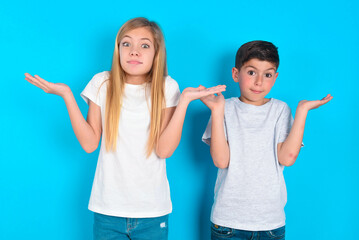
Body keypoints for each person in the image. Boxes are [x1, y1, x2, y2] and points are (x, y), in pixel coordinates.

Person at [24, 17, 226, 240]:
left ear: (156, 53)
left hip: (152, 211)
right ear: (118, 50)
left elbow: (164, 150)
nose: (134, 51)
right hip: (107, 210)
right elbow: (90, 144)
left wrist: (185, 101)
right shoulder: (102, 83)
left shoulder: (168, 87)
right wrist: (67, 96)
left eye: (144, 45)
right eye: (126, 44)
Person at [201, 40, 332, 240]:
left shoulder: (280, 110)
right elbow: (221, 161)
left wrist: (302, 111)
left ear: (275, 77)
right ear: (236, 74)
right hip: (228, 223)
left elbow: (287, 158)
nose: (259, 82)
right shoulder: (222, 107)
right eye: (252, 72)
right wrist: (217, 111)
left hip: (270, 224)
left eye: (268, 74)